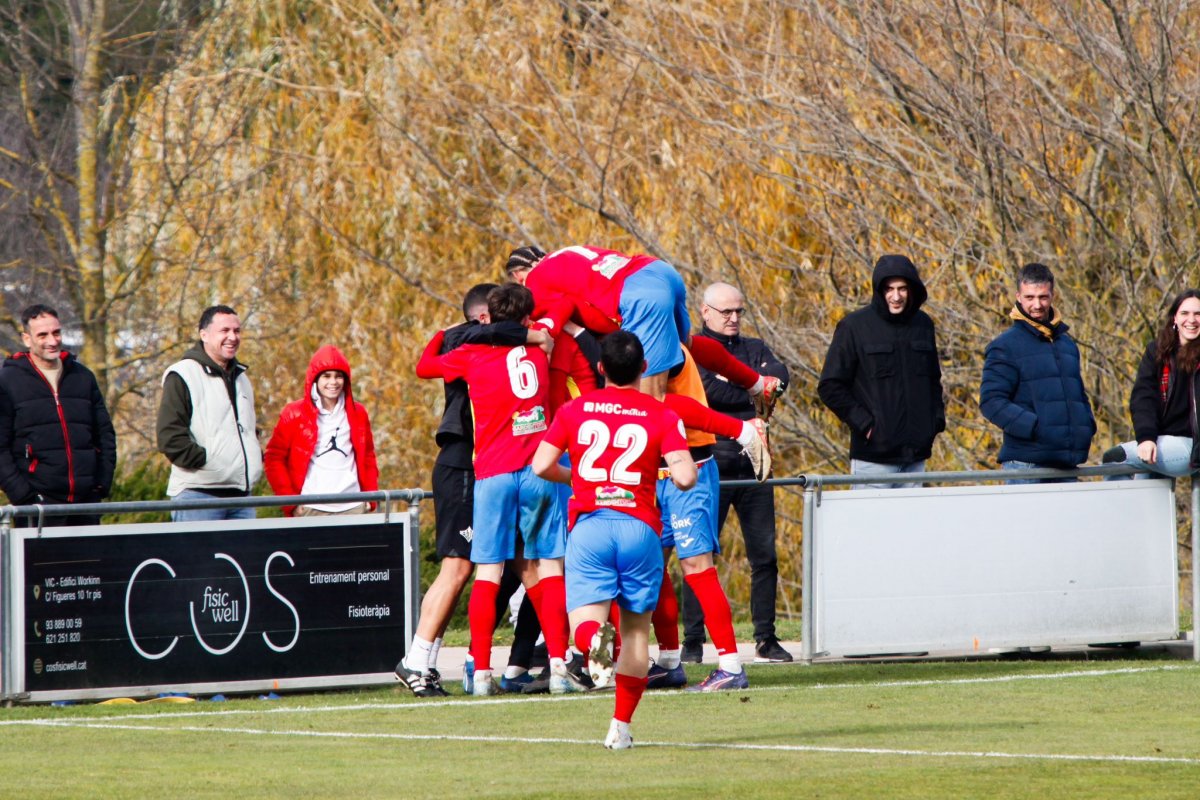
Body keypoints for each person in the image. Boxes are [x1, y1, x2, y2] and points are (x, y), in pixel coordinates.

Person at [411, 283, 578, 696]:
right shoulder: (543, 341)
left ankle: (481, 673)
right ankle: (559, 667)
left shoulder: (470, 352)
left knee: (489, 570)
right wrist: (533, 329)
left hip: (493, 472)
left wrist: (455, 330)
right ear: (525, 318)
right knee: (549, 567)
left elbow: (425, 365)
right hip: (538, 469)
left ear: (486, 319)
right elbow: (562, 300)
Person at [532, 330, 696, 749]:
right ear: (643, 368)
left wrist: (579, 479)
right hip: (640, 529)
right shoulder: (660, 413)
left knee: (584, 625)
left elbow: (540, 465)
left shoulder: (574, 409)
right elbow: (685, 476)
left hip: (591, 524)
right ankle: (619, 729)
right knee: (638, 634)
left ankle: (593, 642)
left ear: (600, 369)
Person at [507, 244, 783, 410]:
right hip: (657, 270)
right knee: (686, 343)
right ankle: (758, 384)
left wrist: (546, 330)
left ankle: (743, 431)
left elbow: (561, 308)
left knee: (648, 403)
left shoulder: (534, 285)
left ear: (520, 276)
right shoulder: (563, 254)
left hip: (639, 296)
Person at [685, 281, 793, 664]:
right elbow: (711, 393)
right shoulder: (693, 350)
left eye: (738, 312)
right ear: (705, 312)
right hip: (709, 465)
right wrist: (752, 386)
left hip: (754, 465)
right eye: (725, 312)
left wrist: (750, 384)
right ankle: (692, 641)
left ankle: (765, 637)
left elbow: (780, 379)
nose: (733, 318)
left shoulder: (756, 347)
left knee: (764, 556)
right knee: (699, 555)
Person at [818, 255, 945, 489]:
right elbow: (830, 386)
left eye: (902, 289)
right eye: (889, 289)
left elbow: (933, 380)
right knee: (870, 525)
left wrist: (935, 422)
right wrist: (866, 425)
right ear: (879, 290)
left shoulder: (923, 325)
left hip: (916, 457)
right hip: (872, 459)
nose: (896, 296)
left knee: (912, 526)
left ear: (912, 289)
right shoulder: (854, 326)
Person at [0, 304, 117, 526]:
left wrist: (100, 485)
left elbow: (105, 435)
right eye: (42, 335)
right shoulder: (7, 382)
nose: (52, 341)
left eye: (56, 332)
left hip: (86, 504)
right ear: (27, 339)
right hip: (37, 507)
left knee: (90, 562)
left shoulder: (83, 377)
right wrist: (24, 496)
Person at [980, 263, 1096, 484]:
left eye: (1043, 297)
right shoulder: (1005, 346)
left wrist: (1086, 425)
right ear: (1018, 296)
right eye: (1030, 297)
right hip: (1025, 466)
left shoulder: (1067, 345)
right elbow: (991, 402)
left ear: (1052, 295)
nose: (1037, 304)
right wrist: (1035, 427)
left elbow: (1079, 395)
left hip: (1067, 464)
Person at [157, 305, 263, 521]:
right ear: (203, 334)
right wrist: (208, 461)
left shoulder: (242, 379)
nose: (232, 337)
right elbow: (169, 437)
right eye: (224, 331)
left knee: (245, 556)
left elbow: (246, 431)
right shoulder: (183, 375)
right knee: (196, 557)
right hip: (198, 498)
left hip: (242, 499)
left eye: (237, 331)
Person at [263, 345, 379, 515]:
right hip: (312, 507)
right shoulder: (294, 413)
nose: (333, 382)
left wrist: (371, 499)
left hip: (353, 505)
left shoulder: (358, 413)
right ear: (315, 379)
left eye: (339, 376)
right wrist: (291, 502)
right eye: (326, 376)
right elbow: (274, 458)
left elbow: (368, 456)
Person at [1102, 289, 1200, 478]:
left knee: (1115, 457)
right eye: (1185, 313)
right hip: (1160, 440)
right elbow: (1143, 397)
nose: (1192, 320)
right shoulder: (1157, 351)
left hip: (1192, 445)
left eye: (1198, 314)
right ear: (1175, 318)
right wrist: (1146, 437)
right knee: (1144, 487)